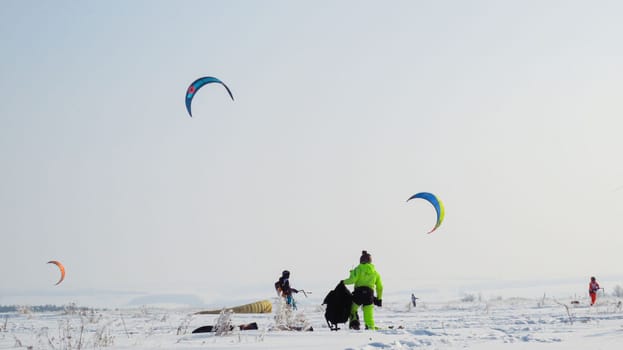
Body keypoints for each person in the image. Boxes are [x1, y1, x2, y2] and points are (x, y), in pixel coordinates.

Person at [342, 250, 383, 330]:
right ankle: (370, 327)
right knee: (368, 313)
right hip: (369, 295)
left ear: (360, 260)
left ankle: (354, 323)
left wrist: (343, 282)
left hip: (358, 294)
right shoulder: (375, 272)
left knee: (352, 309)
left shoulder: (358, 269)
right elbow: (380, 287)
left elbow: (352, 280)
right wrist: (379, 298)